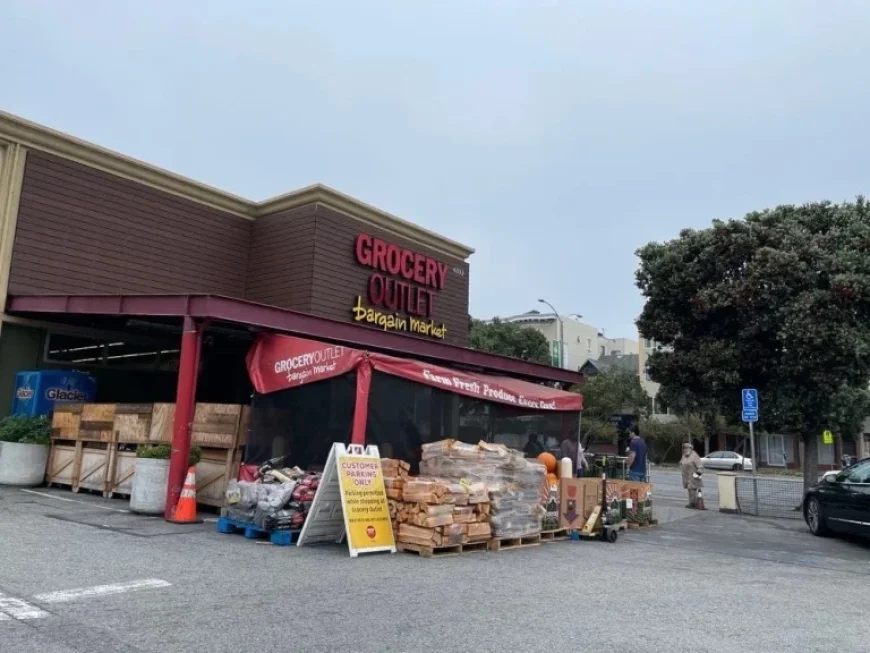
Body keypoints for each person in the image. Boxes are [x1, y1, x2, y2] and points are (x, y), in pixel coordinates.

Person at [680, 442, 704, 508]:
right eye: (684, 448)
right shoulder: (684, 456)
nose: (686, 450)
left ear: (691, 448)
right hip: (686, 477)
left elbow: (700, 466)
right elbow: (681, 463)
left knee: (692, 489)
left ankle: (693, 503)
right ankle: (693, 503)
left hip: (693, 476)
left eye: (687, 448)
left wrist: (698, 473)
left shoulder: (694, 455)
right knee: (689, 490)